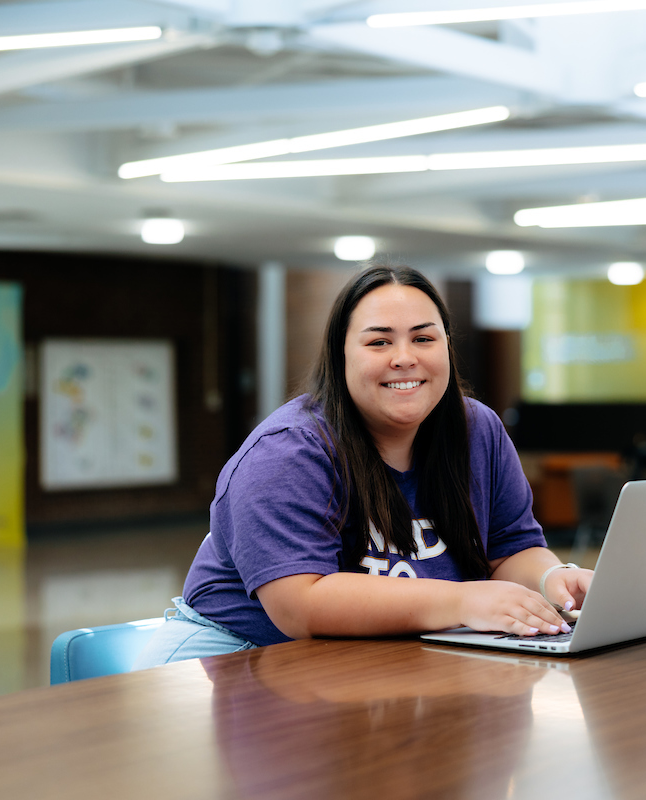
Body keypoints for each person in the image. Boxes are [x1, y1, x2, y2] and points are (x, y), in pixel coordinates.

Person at [135, 264, 592, 667]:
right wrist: (465, 600)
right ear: (341, 354)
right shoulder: (287, 454)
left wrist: (553, 581)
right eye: (379, 341)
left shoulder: (479, 431)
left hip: (383, 651)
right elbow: (301, 605)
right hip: (239, 654)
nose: (404, 357)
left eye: (423, 338)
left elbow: (510, 549)